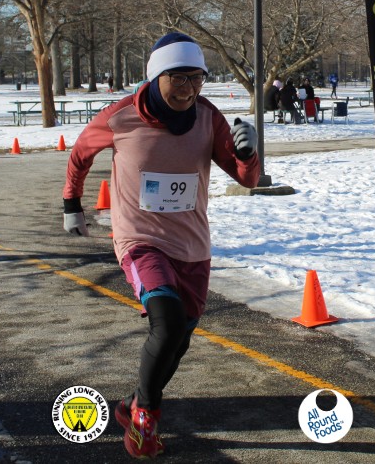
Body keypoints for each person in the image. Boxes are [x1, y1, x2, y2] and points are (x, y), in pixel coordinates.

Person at [61, 32, 260, 458]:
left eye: (197, 78)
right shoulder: (120, 117)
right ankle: (145, 417)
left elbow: (247, 178)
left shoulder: (207, 117)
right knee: (165, 324)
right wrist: (71, 204)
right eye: (178, 79)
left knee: (179, 340)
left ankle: (132, 404)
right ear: (156, 77)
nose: (188, 89)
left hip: (192, 245)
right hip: (140, 239)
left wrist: (248, 154)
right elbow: (80, 154)